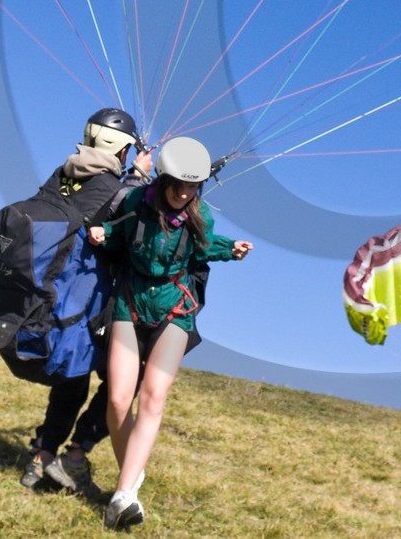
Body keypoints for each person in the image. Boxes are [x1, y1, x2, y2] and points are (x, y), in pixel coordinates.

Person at [89, 136, 252, 528]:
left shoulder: (201, 216)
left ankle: (122, 496)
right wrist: (103, 235)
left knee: (153, 397)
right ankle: (131, 477)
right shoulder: (134, 203)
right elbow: (119, 232)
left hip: (175, 307)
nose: (183, 193)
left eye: (191, 186)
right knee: (116, 401)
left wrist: (232, 248)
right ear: (162, 179)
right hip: (131, 299)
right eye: (177, 184)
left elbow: (205, 246)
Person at [20, 108, 152, 496]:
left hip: (53, 294)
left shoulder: (62, 175)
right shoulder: (117, 187)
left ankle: (43, 457)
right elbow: (124, 211)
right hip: (87, 294)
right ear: (124, 150)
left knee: (73, 376)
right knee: (126, 377)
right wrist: (140, 177)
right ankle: (74, 458)